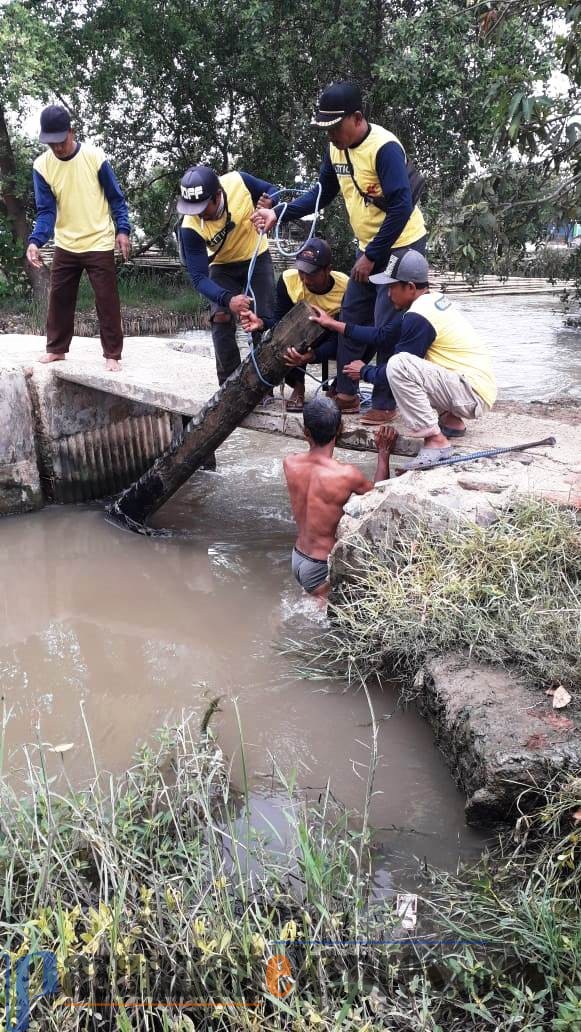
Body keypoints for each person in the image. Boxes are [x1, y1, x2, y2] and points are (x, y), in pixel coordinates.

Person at [252, 81, 427, 422]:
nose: (330, 135)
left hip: (401, 245)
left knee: (387, 318)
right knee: (351, 311)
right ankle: (346, 392)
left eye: (334, 127)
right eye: (325, 129)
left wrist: (374, 253)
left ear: (357, 118)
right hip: (370, 247)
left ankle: (384, 403)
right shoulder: (336, 150)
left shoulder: (384, 148)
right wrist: (279, 212)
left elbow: (402, 206)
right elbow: (322, 193)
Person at [326, 250, 498, 465]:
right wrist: (334, 324)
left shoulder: (418, 317)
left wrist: (363, 372)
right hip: (473, 389)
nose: (388, 295)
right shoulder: (429, 302)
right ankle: (452, 422)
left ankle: (435, 440)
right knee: (415, 364)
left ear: (410, 287)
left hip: (471, 395)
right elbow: (383, 335)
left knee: (400, 363)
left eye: (392, 287)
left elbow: (396, 373)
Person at [26, 105, 131, 372]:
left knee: (106, 300)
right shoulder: (42, 166)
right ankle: (56, 349)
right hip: (66, 243)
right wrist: (36, 241)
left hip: (98, 240)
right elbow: (46, 211)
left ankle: (112, 354)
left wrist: (122, 230)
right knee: (59, 297)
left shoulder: (94, 157)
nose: (57, 148)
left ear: (71, 132)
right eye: (51, 143)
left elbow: (116, 198)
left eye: (60, 141)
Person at [284, 396, 397, 598]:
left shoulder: (290, 463)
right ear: (339, 429)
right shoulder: (346, 475)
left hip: (298, 557)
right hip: (320, 565)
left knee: (307, 607)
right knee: (325, 624)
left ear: (306, 431)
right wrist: (383, 453)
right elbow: (379, 499)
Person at [177, 164, 279, 385]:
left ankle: (264, 385)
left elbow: (273, 189)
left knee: (263, 320)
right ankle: (229, 385)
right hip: (223, 266)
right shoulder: (189, 226)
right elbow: (199, 278)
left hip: (256, 257)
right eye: (192, 209)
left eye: (203, 208)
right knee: (220, 317)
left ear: (218, 195)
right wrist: (228, 300)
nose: (198, 215)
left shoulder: (237, 181)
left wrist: (271, 202)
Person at [240, 237, 349, 411]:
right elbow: (280, 323)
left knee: (354, 337)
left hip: (331, 335)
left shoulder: (345, 286)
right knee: (285, 333)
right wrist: (261, 323)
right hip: (301, 334)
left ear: (328, 269)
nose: (305, 279)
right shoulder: (289, 281)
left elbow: (343, 334)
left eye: (312, 273)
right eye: (301, 272)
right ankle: (297, 385)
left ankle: (338, 387)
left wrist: (314, 355)